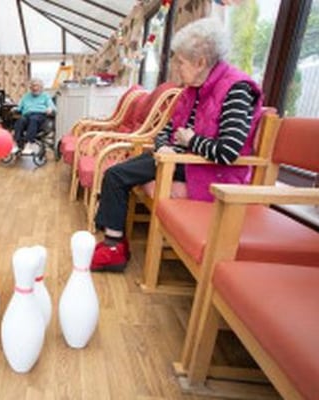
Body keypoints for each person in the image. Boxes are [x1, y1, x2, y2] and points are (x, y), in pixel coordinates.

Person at [91, 17, 263, 272]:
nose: (175, 68)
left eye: (179, 62)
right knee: (116, 173)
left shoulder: (237, 89)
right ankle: (114, 239)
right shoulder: (192, 89)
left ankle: (114, 247)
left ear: (200, 62)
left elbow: (228, 152)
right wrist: (163, 146)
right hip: (180, 161)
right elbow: (169, 130)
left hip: (210, 171)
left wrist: (191, 140)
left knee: (116, 175)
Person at [13, 78, 55, 154]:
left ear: (41, 87)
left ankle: (28, 144)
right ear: (30, 88)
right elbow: (19, 107)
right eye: (33, 86)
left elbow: (53, 107)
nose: (35, 88)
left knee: (33, 119)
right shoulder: (26, 96)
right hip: (27, 115)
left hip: (39, 115)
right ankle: (16, 144)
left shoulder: (45, 96)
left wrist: (50, 109)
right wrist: (14, 109)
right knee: (20, 120)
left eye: (37, 86)